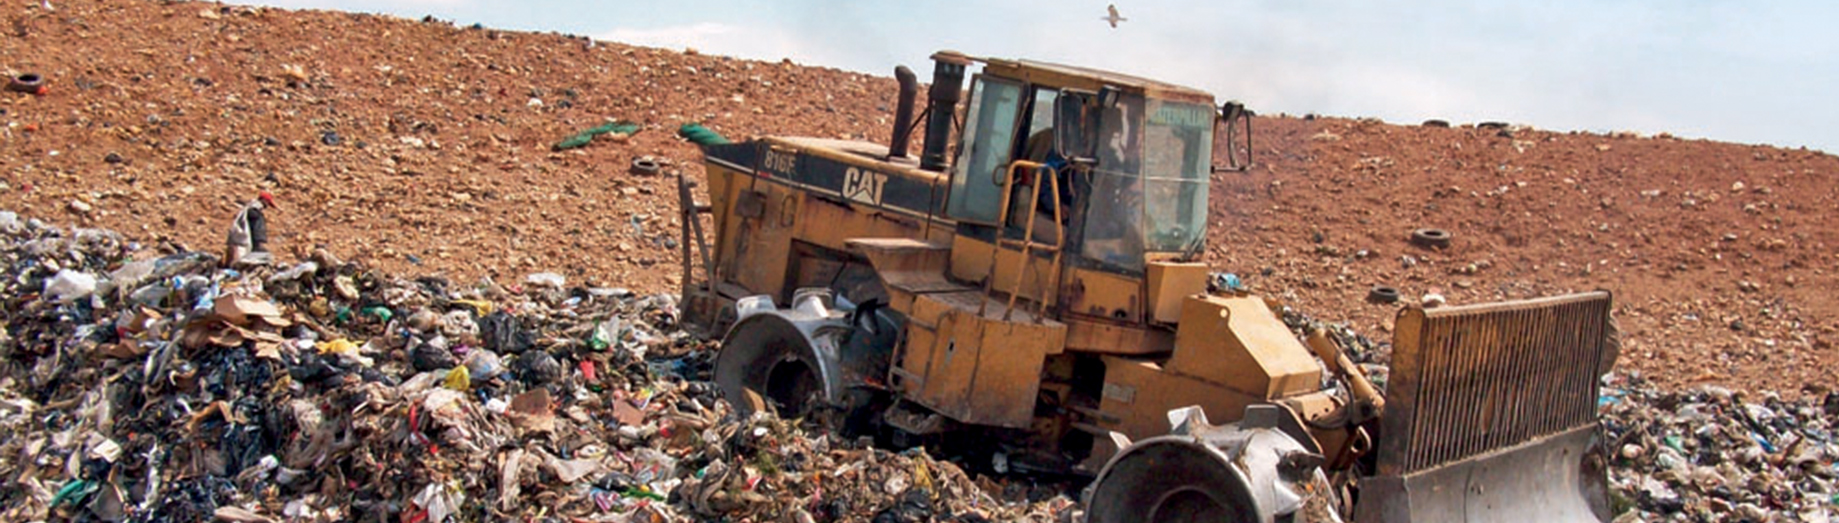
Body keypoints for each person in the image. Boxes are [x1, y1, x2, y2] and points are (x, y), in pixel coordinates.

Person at [225, 191, 277, 266]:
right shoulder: (255, 213)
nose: (267, 206)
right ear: (264, 201)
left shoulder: (247, 210)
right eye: (267, 203)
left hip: (241, 240)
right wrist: (259, 243)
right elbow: (257, 230)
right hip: (248, 243)